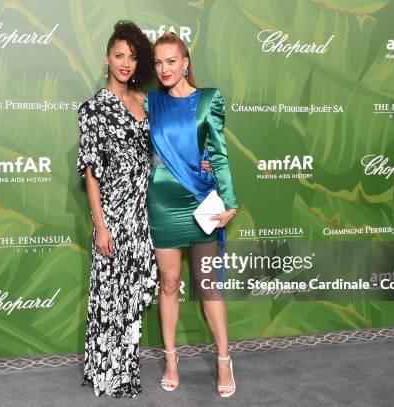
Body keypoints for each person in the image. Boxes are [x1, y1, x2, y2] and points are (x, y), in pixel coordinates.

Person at [146, 32, 239, 398]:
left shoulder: (209, 100)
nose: (164, 69)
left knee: (207, 286)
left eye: (171, 61)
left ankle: (224, 359)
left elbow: (218, 153)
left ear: (186, 62)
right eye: (158, 62)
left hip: (201, 204)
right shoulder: (151, 102)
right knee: (168, 284)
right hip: (162, 202)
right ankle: (171, 359)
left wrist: (229, 202)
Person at [76, 20, 157, 398]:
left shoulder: (144, 101)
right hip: (114, 212)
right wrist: (101, 226)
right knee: (111, 294)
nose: (125, 63)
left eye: (132, 57)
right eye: (119, 55)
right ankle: (107, 371)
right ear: (106, 58)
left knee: (133, 293)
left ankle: (127, 365)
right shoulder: (93, 109)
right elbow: (91, 174)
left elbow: (160, 155)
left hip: (145, 212)